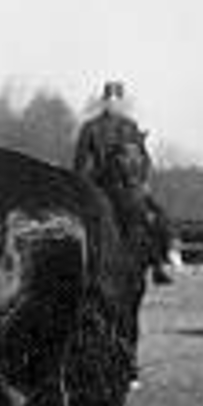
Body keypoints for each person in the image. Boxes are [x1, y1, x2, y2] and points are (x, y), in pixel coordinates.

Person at [74, 80, 174, 285]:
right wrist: (88, 184)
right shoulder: (90, 128)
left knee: (157, 216)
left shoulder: (131, 127)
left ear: (121, 102)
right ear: (103, 102)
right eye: (109, 100)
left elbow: (144, 158)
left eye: (116, 100)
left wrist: (143, 181)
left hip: (130, 186)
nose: (113, 104)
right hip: (100, 185)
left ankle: (158, 263)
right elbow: (80, 163)